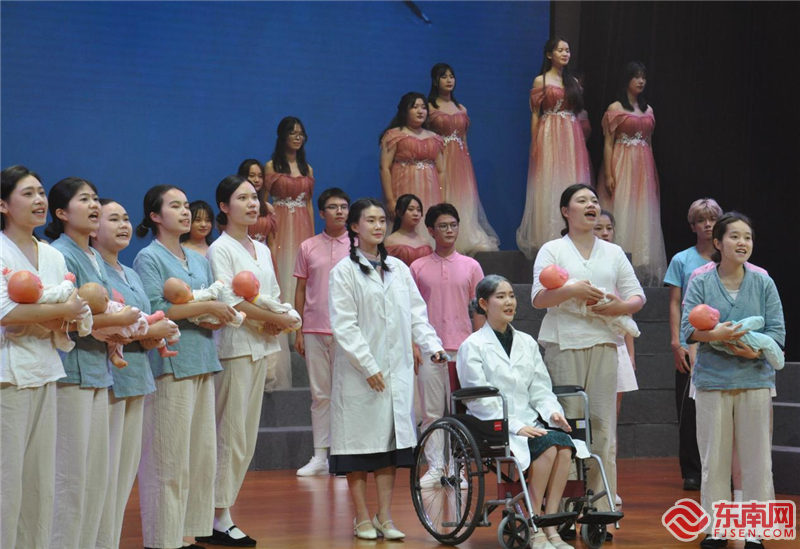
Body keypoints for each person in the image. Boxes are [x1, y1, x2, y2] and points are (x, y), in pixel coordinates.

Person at [329, 198, 446, 540]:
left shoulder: (398, 269)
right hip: (359, 374)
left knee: (389, 448)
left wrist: (432, 346)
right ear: (354, 227)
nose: (378, 226)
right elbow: (344, 325)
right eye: (370, 220)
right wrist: (368, 365)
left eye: (382, 220)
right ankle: (362, 517)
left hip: (396, 373)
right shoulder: (343, 272)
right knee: (358, 447)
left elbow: (416, 314)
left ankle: (385, 516)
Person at [134, 184, 237, 549]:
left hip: (203, 360)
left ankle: (186, 533)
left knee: (199, 457)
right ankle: (162, 539)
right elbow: (156, 309)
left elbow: (208, 305)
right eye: (174, 206)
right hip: (172, 363)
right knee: (168, 458)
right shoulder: (148, 257)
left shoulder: (198, 258)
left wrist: (215, 315)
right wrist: (206, 308)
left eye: (186, 206)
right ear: (155, 216)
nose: (185, 212)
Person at [531, 184, 645, 515]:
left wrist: (621, 306)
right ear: (566, 212)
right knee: (567, 424)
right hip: (564, 343)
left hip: (604, 343)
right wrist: (570, 290)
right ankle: (565, 506)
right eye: (582, 201)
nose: (591, 205)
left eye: (594, 200)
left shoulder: (613, 251)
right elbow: (538, 299)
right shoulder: (552, 249)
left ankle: (601, 506)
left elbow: (637, 295)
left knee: (603, 426)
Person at [46, 177, 142, 549]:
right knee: (70, 477)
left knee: (94, 478)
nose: (94, 205)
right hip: (71, 373)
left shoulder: (93, 257)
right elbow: (65, 316)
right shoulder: (60, 253)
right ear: (61, 212)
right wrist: (116, 322)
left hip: (99, 373)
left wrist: (120, 326)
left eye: (95, 198)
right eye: (84, 199)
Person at [202, 175, 297, 546]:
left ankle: (220, 511)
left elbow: (270, 295)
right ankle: (217, 516)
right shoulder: (220, 249)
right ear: (224, 207)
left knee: (245, 435)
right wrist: (272, 319)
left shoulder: (262, 249)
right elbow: (230, 300)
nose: (252, 203)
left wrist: (277, 320)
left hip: (259, 345)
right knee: (230, 433)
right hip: (234, 347)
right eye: (242, 198)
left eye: (254, 197)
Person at [681, 212, 784, 549]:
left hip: (755, 379)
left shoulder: (763, 281)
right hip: (712, 381)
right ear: (718, 243)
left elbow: (776, 331)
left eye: (747, 237)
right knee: (714, 459)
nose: (743, 243)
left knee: (757, 459)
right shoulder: (700, 280)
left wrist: (753, 353)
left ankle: (754, 530)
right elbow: (688, 330)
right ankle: (717, 528)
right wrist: (716, 335)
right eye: (735, 236)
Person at [0, 166, 88, 549]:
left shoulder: (52, 255)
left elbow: (76, 315)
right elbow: (6, 313)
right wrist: (59, 312)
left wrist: (61, 315)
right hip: (7, 375)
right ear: (3, 205)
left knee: (40, 482)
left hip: (46, 369)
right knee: (6, 481)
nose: (39, 200)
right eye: (27, 194)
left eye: (40, 192)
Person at [458, 275, 575, 549]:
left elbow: (540, 387)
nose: (509, 302)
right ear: (484, 304)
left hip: (529, 420)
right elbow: (477, 398)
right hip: (492, 425)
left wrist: (552, 411)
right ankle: (534, 526)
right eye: (501, 297)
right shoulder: (472, 345)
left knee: (564, 446)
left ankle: (550, 526)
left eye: (511, 295)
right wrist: (514, 426)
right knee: (549, 448)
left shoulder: (526, 342)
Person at [92, 198, 179, 549]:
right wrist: (147, 330)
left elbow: (143, 323)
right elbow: (106, 324)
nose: (123, 225)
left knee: (123, 477)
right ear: (94, 227)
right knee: (102, 476)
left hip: (138, 376)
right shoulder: (95, 270)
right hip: (109, 380)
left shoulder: (130, 272)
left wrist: (153, 334)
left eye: (126, 218)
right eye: (113, 219)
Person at [409, 203, 485, 488]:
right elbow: (409, 311)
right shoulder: (417, 267)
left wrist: (479, 344)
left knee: (459, 411)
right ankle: (434, 466)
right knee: (431, 411)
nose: (449, 230)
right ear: (431, 231)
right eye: (443, 226)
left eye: (453, 225)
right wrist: (414, 344)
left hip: (462, 348)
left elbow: (480, 309)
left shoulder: (471, 266)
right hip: (429, 349)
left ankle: (457, 467)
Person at [663, 197, 722, 491]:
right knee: (689, 410)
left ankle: (720, 469)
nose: (708, 225)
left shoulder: (729, 257)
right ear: (692, 226)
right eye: (701, 220)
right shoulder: (682, 260)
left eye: (712, 219)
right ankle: (692, 470)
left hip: (722, 340)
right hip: (691, 341)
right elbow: (675, 303)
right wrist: (677, 342)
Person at [292, 187, 351, 476]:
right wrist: (298, 329)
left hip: (347, 330)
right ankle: (320, 457)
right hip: (314, 327)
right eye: (333, 207)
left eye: (344, 206)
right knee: (320, 395)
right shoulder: (308, 246)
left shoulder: (358, 246)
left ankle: (343, 456)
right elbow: (301, 289)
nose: (339, 211)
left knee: (345, 393)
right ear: (321, 212)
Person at [517, 37, 592, 257]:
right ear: (550, 54)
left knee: (570, 177)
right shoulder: (540, 80)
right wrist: (535, 141)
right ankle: (548, 234)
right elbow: (535, 113)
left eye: (567, 50)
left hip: (570, 132)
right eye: (560, 50)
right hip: (549, 130)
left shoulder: (573, 82)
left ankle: (574, 231)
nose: (565, 54)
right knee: (549, 179)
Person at [597, 61, 667, 286]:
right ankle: (618, 259)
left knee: (642, 211)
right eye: (636, 77)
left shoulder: (648, 110)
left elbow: (649, 143)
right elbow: (608, 143)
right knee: (623, 204)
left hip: (643, 165)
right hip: (622, 161)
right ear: (627, 79)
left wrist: (651, 173)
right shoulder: (616, 107)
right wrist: (609, 174)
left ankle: (639, 262)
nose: (641, 81)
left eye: (643, 77)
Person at [264, 117, 316, 390]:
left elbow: (308, 204)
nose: (297, 137)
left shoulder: (307, 168)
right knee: (283, 271)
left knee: (301, 275)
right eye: (292, 133)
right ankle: (285, 328)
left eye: (301, 133)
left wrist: (313, 235)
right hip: (281, 224)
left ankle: (301, 328)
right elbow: (263, 200)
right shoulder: (271, 166)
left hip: (302, 226)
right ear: (282, 136)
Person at [427, 62, 499, 254]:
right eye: (444, 76)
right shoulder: (429, 107)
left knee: (462, 196)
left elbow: (464, 139)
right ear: (435, 81)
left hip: (460, 159)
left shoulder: (461, 108)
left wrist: (466, 161)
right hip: (440, 157)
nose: (449, 80)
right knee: (444, 194)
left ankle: (463, 235)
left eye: (451, 76)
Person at [593, 209, 637, 508]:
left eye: (609, 228)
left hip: (617, 346)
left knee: (611, 421)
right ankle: (588, 482)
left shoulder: (618, 263)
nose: (605, 233)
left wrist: (630, 356)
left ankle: (609, 484)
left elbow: (628, 315)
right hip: (588, 343)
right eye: (599, 228)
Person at [379, 92, 445, 243]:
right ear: (405, 111)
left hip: (430, 190)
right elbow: (384, 167)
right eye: (415, 107)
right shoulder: (394, 135)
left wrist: (443, 199)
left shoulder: (435, 138)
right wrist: (390, 200)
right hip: (403, 187)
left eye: (423, 107)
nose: (420, 111)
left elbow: (441, 171)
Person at [384, 194, 433, 266]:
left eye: (419, 210)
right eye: (411, 209)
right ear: (399, 212)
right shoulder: (389, 241)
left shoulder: (425, 242)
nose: (416, 214)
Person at [238, 158, 276, 250]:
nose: (257, 180)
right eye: (252, 176)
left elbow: (272, 244)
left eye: (260, 176)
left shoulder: (268, 208)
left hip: (263, 255)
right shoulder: (236, 206)